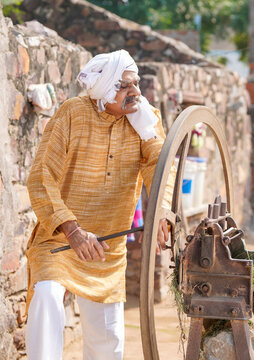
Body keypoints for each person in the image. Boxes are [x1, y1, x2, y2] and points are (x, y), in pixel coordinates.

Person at [25, 49, 171, 360]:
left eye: (136, 84)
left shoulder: (145, 118)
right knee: (47, 296)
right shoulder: (72, 113)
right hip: (61, 239)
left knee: (108, 340)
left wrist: (161, 212)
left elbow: (159, 169)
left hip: (108, 247)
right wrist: (72, 230)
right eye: (124, 86)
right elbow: (41, 177)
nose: (134, 92)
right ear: (104, 89)